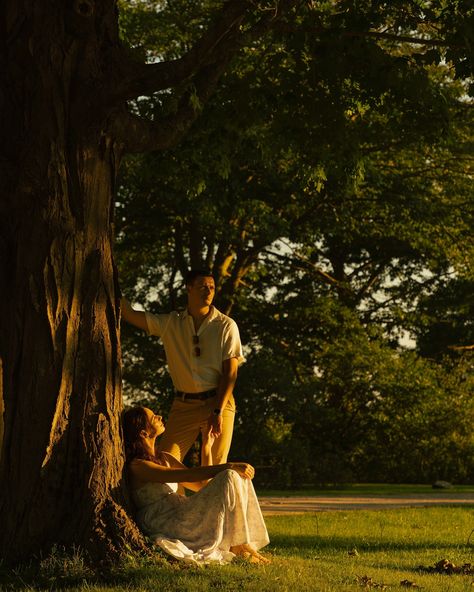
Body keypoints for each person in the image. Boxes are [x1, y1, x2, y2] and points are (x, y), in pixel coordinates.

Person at [121, 269, 244, 464]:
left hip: (218, 402)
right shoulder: (171, 323)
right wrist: (107, 280)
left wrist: (217, 411)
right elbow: (129, 314)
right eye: (203, 286)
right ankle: (176, 496)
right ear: (189, 288)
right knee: (165, 461)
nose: (209, 291)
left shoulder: (226, 326)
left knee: (216, 466)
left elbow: (231, 374)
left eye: (212, 287)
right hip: (184, 405)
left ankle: (214, 494)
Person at [122, 406, 270, 564]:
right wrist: (228, 465)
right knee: (230, 472)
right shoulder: (138, 466)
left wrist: (206, 444)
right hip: (163, 521)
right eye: (153, 418)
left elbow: (201, 485)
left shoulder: (164, 457)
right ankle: (240, 546)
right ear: (143, 433)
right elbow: (185, 475)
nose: (159, 416)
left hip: (181, 513)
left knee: (235, 475)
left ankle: (240, 544)